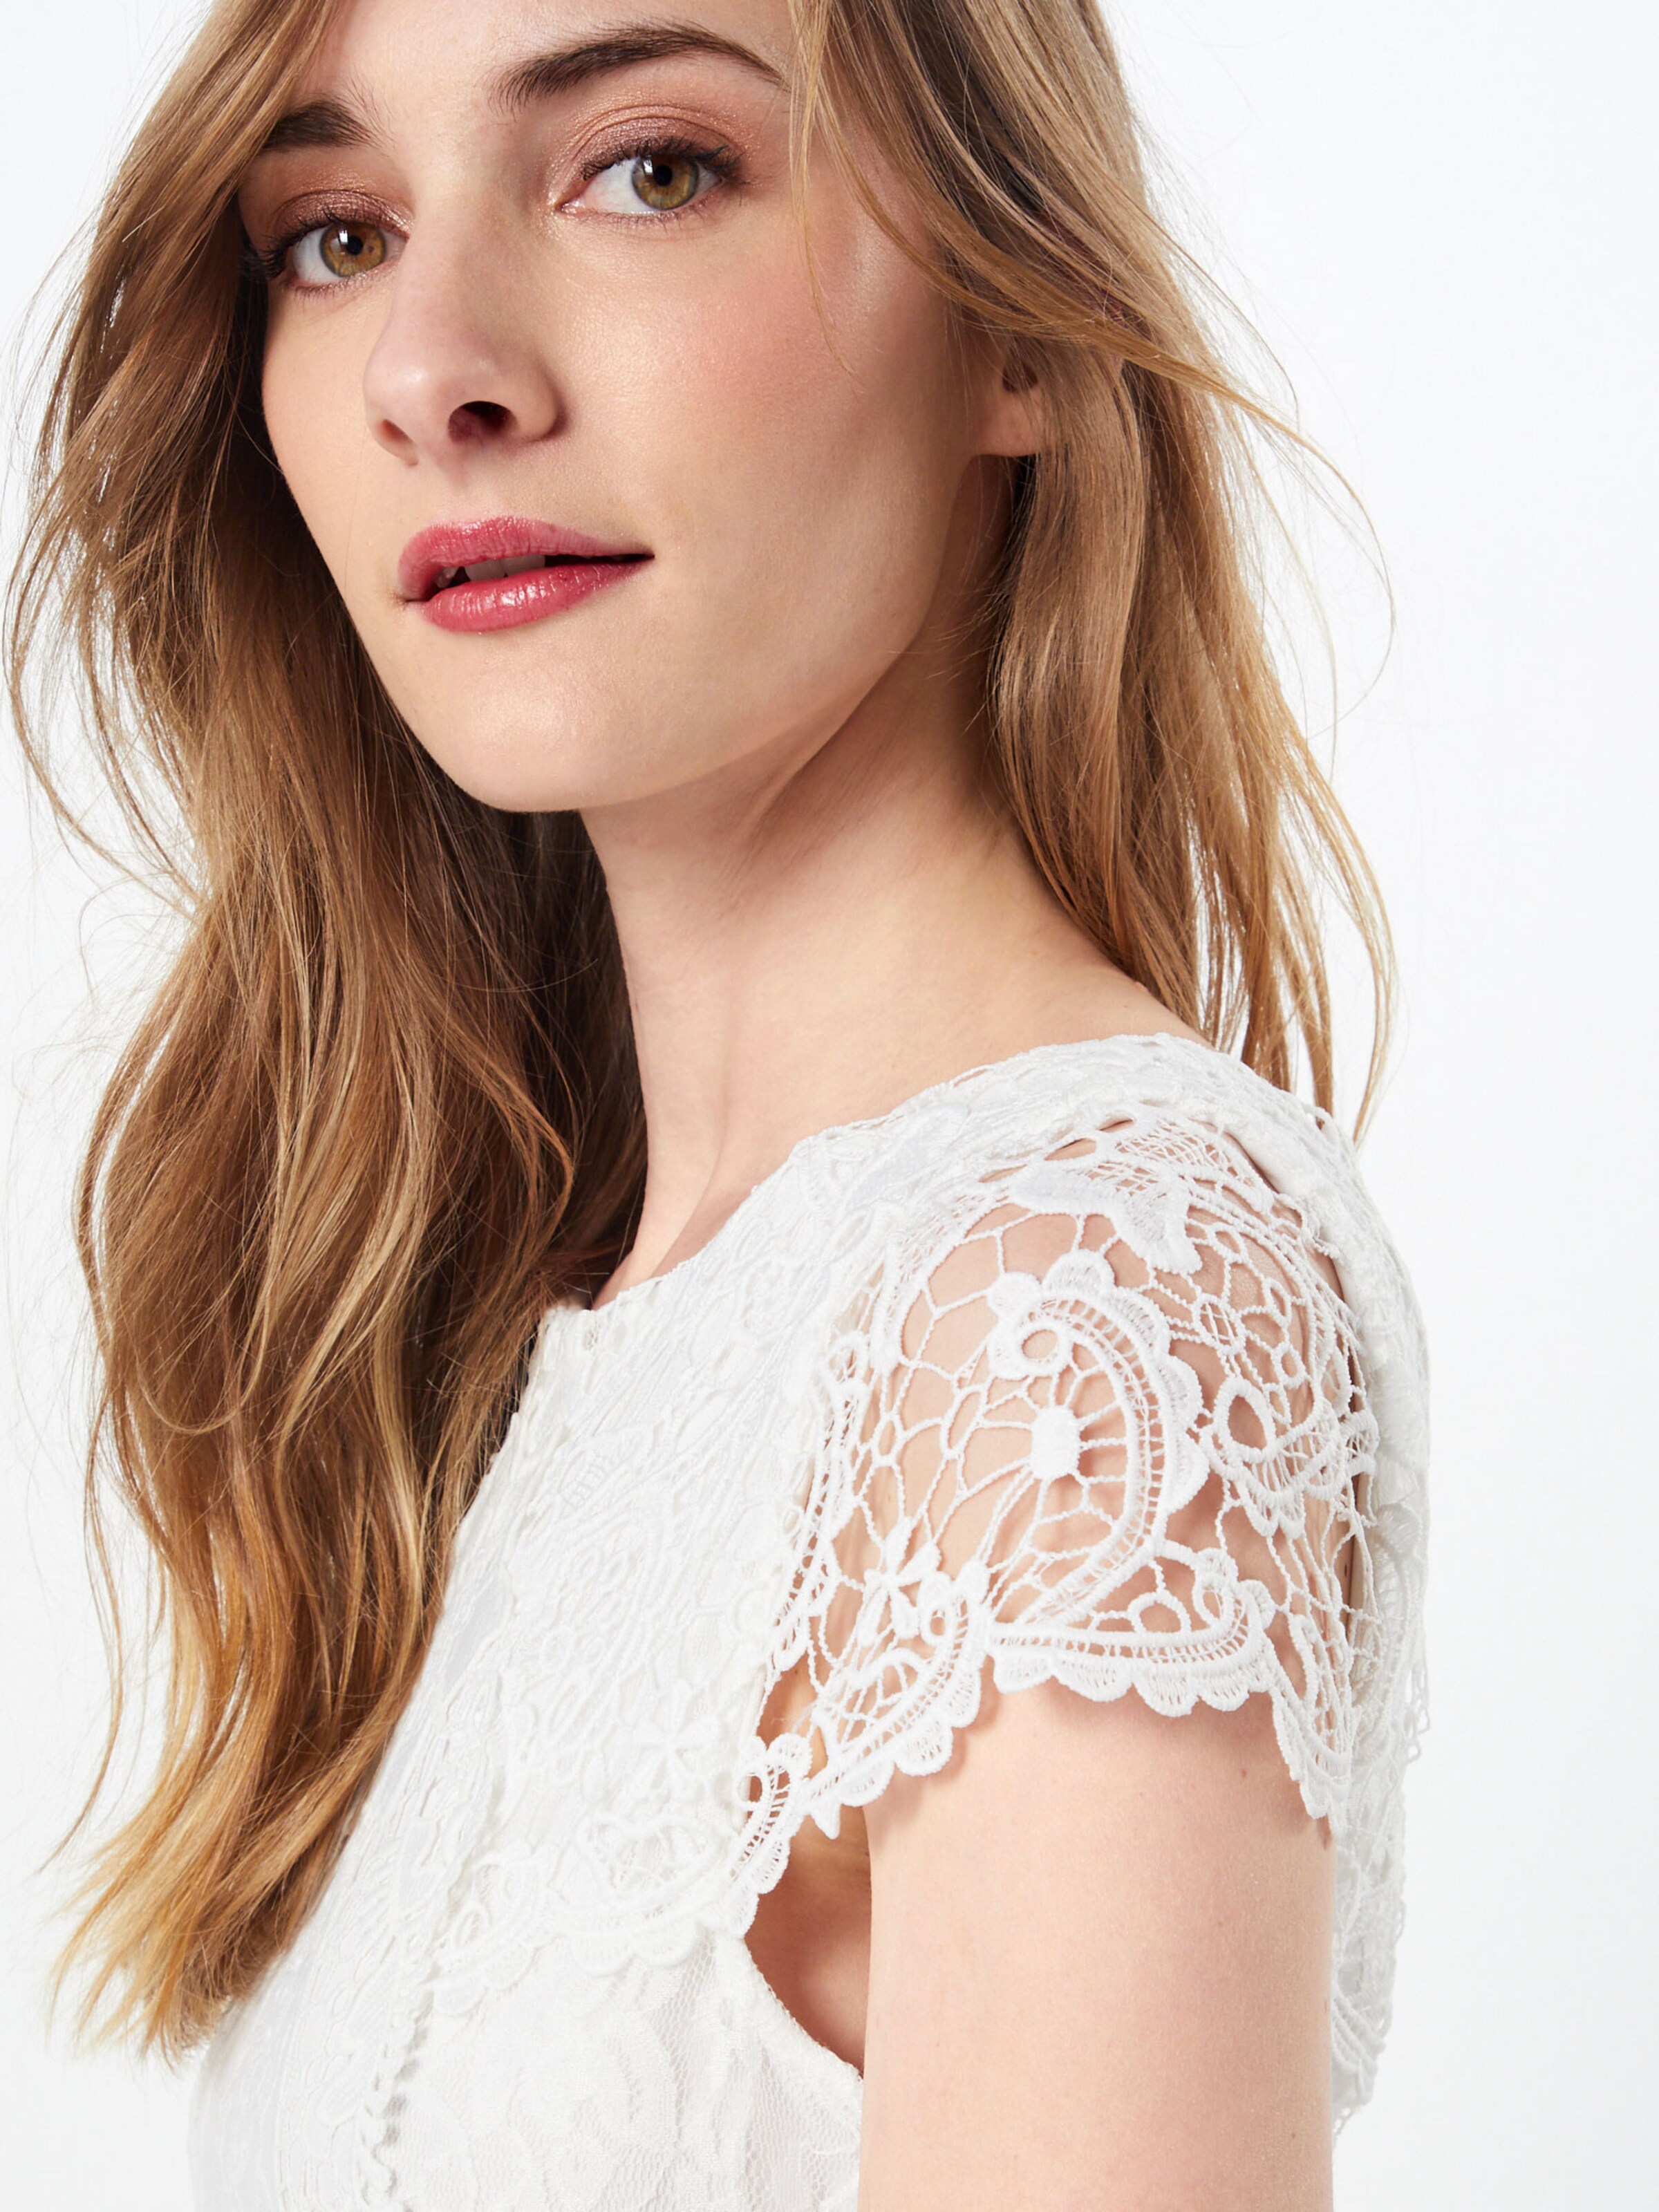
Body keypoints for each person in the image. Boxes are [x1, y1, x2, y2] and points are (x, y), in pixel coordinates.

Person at [6, 0, 1427, 2203]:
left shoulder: (1080, 1309)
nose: (430, 370)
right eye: (336, 234)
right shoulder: (564, 1315)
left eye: (648, 171)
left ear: (1017, 326)